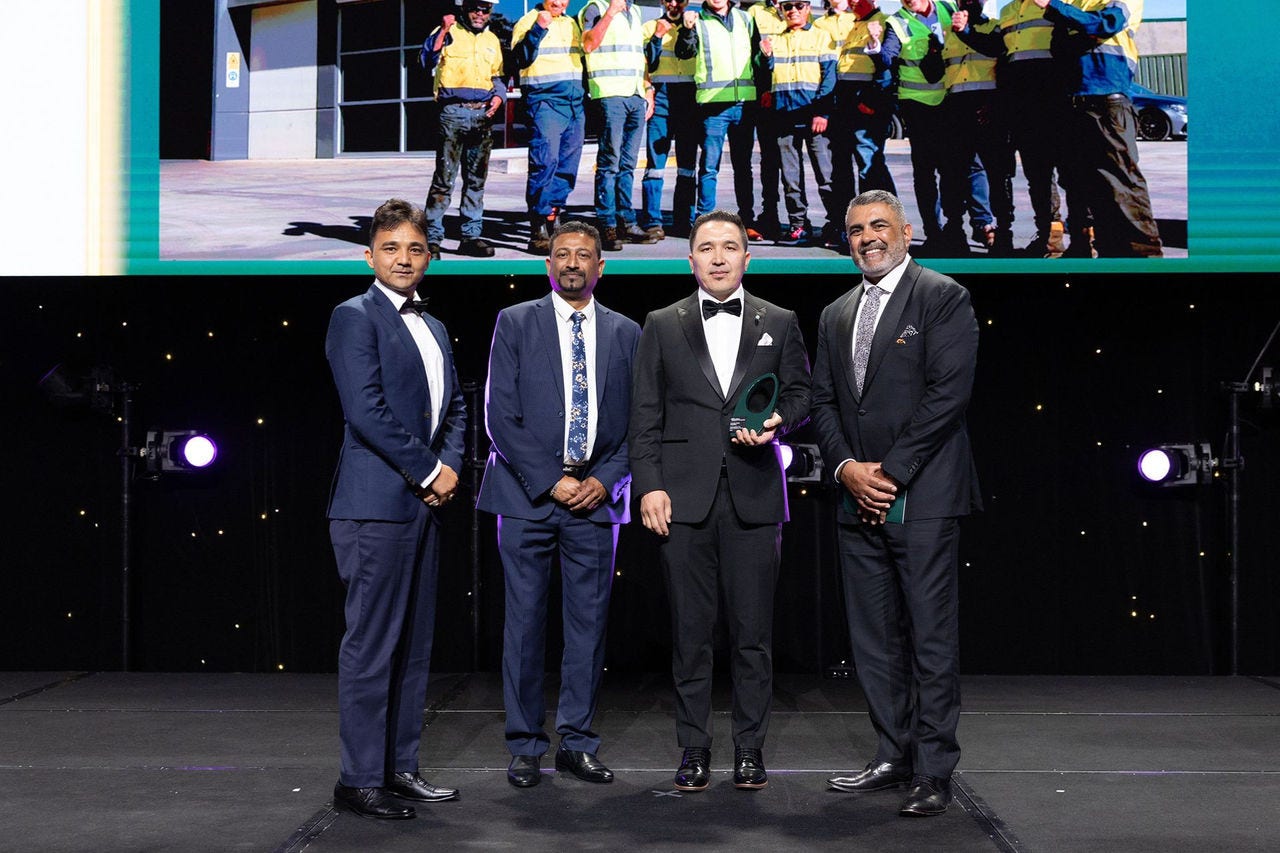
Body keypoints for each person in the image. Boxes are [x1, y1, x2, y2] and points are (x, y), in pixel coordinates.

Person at [810, 190, 981, 817]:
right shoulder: (834, 312)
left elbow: (948, 395)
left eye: (879, 226)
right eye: (856, 230)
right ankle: (893, 753)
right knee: (874, 637)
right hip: (857, 496)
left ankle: (934, 769)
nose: (867, 238)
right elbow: (824, 402)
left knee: (931, 637)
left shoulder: (942, 296)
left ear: (905, 233)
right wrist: (849, 469)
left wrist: (892, 472)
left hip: (925, 496)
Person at [629, 210, 811, 793]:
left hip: (756, 496)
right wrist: (649, 484)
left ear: (746, 257)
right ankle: (693, 748)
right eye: (706, 247)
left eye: (729, 247)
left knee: (753, 634)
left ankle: (750, 750)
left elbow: (804, 390)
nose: (717, 257)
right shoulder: (661, 322)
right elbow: (645, 415)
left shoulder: (779, 321)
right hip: (682, 500)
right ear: (690, 259)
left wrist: (780, 419)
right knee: (690, 633)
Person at [476, 221, 640, 789]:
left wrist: (606, 479)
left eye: (584, 255)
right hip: (526, 498)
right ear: (549, 264)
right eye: (562, 254)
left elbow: (638, 425)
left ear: (602, 267)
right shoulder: (515, 322)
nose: (572, 262)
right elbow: (501, 417)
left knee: (588, 627)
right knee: (523, 624)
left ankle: (577, 743)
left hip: (596, 500)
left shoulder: (626, 333)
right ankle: (525, 746)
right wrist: (552, 481)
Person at [325, 198, 468, 820]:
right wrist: (431, 469)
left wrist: (453, 466)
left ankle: (400, 768)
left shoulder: (433, 326)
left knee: (413, 645)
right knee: (371, 645)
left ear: (428, 256)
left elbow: (457, 406)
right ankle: (358, 778)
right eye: (391, 248)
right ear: (370, 256)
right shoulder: (353, 316)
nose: (403, 259)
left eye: (414, 249)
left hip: (424, 504)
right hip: (375, 505)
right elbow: (367, 411)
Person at [1036, 0, 1162, 257]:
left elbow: (1107, 23)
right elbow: (1059, 47)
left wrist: (1065, 13)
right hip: (1075, 103)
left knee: (1122, 181)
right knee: (1091, 186)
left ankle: (1145, 256)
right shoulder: (1074, 3)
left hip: (1107, 100)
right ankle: (1110, 253)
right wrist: (1084, 27)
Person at [953, 0, 1068, 256]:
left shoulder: (1052, 5)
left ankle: (1056, 237)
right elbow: (997, 50)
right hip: (1013, 106)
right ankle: (1011, 235)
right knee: (1015, 174)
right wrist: (966, 34)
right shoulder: (1008, 12)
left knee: (1050, 173)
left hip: (1047, 101)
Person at [867, 0, 970, 255]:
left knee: (953, 171)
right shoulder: (897, 22)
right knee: (924, 173)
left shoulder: (949, 8)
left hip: (951, 102)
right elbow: (887, 57)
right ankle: (933, 232)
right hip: (918, 108)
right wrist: (875, 45)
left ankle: (955, 229)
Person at [675, 0, 771, 237]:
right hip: (713, 106)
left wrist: (768, 58)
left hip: (745, 104)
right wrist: (686, 30)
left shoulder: (746, 19)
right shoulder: (697, 20)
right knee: (709, 166)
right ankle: (705, 222)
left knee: (743, 167)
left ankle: (746, 221)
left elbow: (758, 58)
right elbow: (684, 52)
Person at [420, 0, 506, 259]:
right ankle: (432, 239)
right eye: (476, 8)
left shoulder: (492, 40)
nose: (480, 14)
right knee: (444, 179)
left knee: (476, 180)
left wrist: (499, 98)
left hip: (483, 114)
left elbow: (497, 77)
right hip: (453, 113)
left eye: (486, 9)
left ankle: (471, 236)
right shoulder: (448, 31)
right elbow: (426, 60)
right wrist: (444, 31)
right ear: (465, 8)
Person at [815, 0, 897, 249]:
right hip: (845, 104)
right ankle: (851, 227)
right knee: (842, 169)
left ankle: (883, 225)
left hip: (866, 103)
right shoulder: (854, 24)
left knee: (869, 167)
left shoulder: (883, 22)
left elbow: (887, 65)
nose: (852, 2)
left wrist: (873, 101)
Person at [580, 0, 657, 251]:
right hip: (609, 94)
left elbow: (638, 55)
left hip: (635, 95)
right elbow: (588, 44)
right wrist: (610, 13)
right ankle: (606, 225)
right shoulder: (595, 8)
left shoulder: (634, 10)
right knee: (609, 164)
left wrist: (647, 89)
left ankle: (627, 221)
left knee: (628, 164)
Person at [512, 0, 586, 256]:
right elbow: (520, 59)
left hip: (574, 103)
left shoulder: (572, 23)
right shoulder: (527, 21)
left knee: (568, 165)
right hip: (544, 101)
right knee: (545, 162)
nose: (559, 2)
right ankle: (538, 226)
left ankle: (553, 215)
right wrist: (538, 29)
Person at [761, 0, 838, 246]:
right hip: (783, 116)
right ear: (781, 10)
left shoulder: (821, 37)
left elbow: (829, 78)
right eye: (787, 6)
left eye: (798, 5)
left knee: (826, 175)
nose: (793, 10)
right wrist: (766, 57)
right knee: (790, 177)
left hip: (813, 117)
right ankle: (798, 225)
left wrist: (822, 113)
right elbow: (767, 74)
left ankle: (835, 225)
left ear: (807, 8)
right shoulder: (774, 40)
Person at [947, 0, 1016, 255]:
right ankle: (956, 230)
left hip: (988, 105)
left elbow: (998, 52)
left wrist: (996, 104)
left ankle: (1003, 232)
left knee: (998, 173)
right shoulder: (947, 30)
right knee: (956, 173)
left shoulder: (996, 27)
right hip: (956, 106)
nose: (968, 2)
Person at [641, 0, 699, 240]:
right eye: (669, 0)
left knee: (687, 165)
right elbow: (646, 63)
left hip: (689, 96)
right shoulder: (648, 27)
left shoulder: (697, 25)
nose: (674, 4)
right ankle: (652, 221)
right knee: (655, 164)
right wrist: (657, 36)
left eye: (680, 0)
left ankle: (684, 220)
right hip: (661, 95)